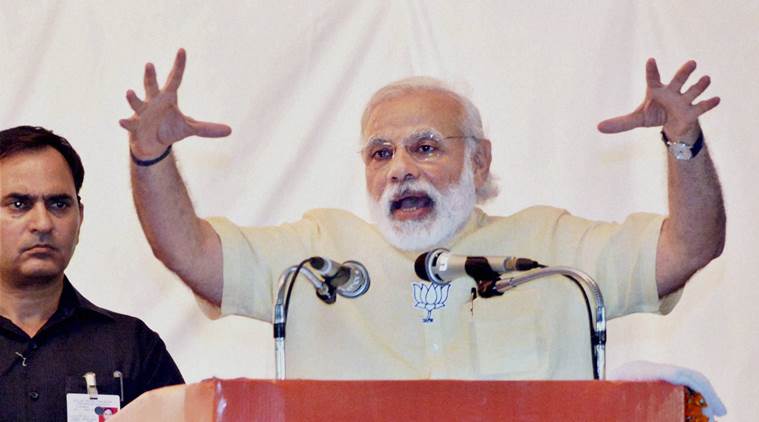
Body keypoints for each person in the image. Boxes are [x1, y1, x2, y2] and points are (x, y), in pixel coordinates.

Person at [120, 49, 725, 379]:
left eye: (425, 147)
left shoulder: (547, 249)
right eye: (380, 153)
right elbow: (190, 253)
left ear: (480, 162)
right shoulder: (321, 255)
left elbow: (686, 249)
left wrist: (684, 143)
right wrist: (151, 157)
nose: (399, 169)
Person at [0, 126, 184, 421]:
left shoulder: (131, 348)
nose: (43, 223)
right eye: (19, 204)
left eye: (59, 204)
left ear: (80, 218)